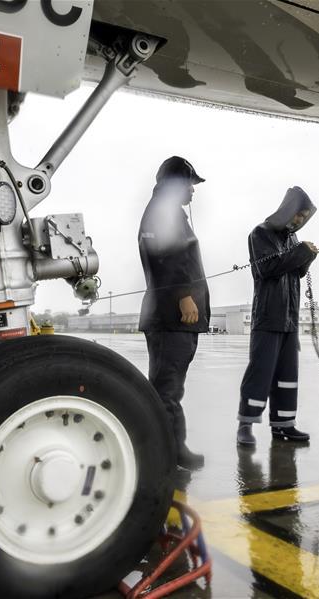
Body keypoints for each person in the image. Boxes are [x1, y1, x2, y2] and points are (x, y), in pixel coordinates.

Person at [138, 156, 210, 470]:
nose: (193, 191)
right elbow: (164, 255)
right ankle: (167, 453)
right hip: (171, 315)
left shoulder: (169, 212)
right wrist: (184, 295)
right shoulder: (163, 211)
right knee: (166, 389)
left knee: (169, 387)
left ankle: (168, 448)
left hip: (173, 316)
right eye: (190, 184)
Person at [237, 186, 319, 446]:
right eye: (298, 215)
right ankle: (246, 425)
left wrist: (306, 257)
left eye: (304, 218)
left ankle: (284, 425)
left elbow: (294, 272)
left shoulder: (292, 239)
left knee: (287, 375)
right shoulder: (260, 233)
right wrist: (300, 253)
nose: (299, 221)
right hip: (268, 317)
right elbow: (267, 268)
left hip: (289, 319)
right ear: (288, 210)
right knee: (260, 373)